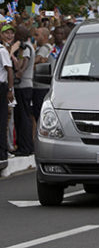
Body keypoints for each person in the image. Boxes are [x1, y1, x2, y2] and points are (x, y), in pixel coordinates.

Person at [13, 24, 35, 156]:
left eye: (17, 34)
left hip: (23, 86)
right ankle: (26, 146)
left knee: (23, 118)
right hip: (24, 86)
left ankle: (25, 147)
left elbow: (21, 67)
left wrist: (13, 56)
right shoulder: (27, 47)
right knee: (23, 117)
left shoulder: (25, 48)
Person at [0, 30, 14, 170]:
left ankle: (2, 154)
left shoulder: (2, 51)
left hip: (1, 87)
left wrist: (10, 90)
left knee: (2, 121)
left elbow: (9, 70)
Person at [32, 27, 53, 122]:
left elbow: (35, 61)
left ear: (44, 37)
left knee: (39, 115)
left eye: (37, 35)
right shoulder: (50, 47)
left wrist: (33, 52)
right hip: (45, 86)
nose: (34, 37)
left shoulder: (44, 48)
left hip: (40, 87)